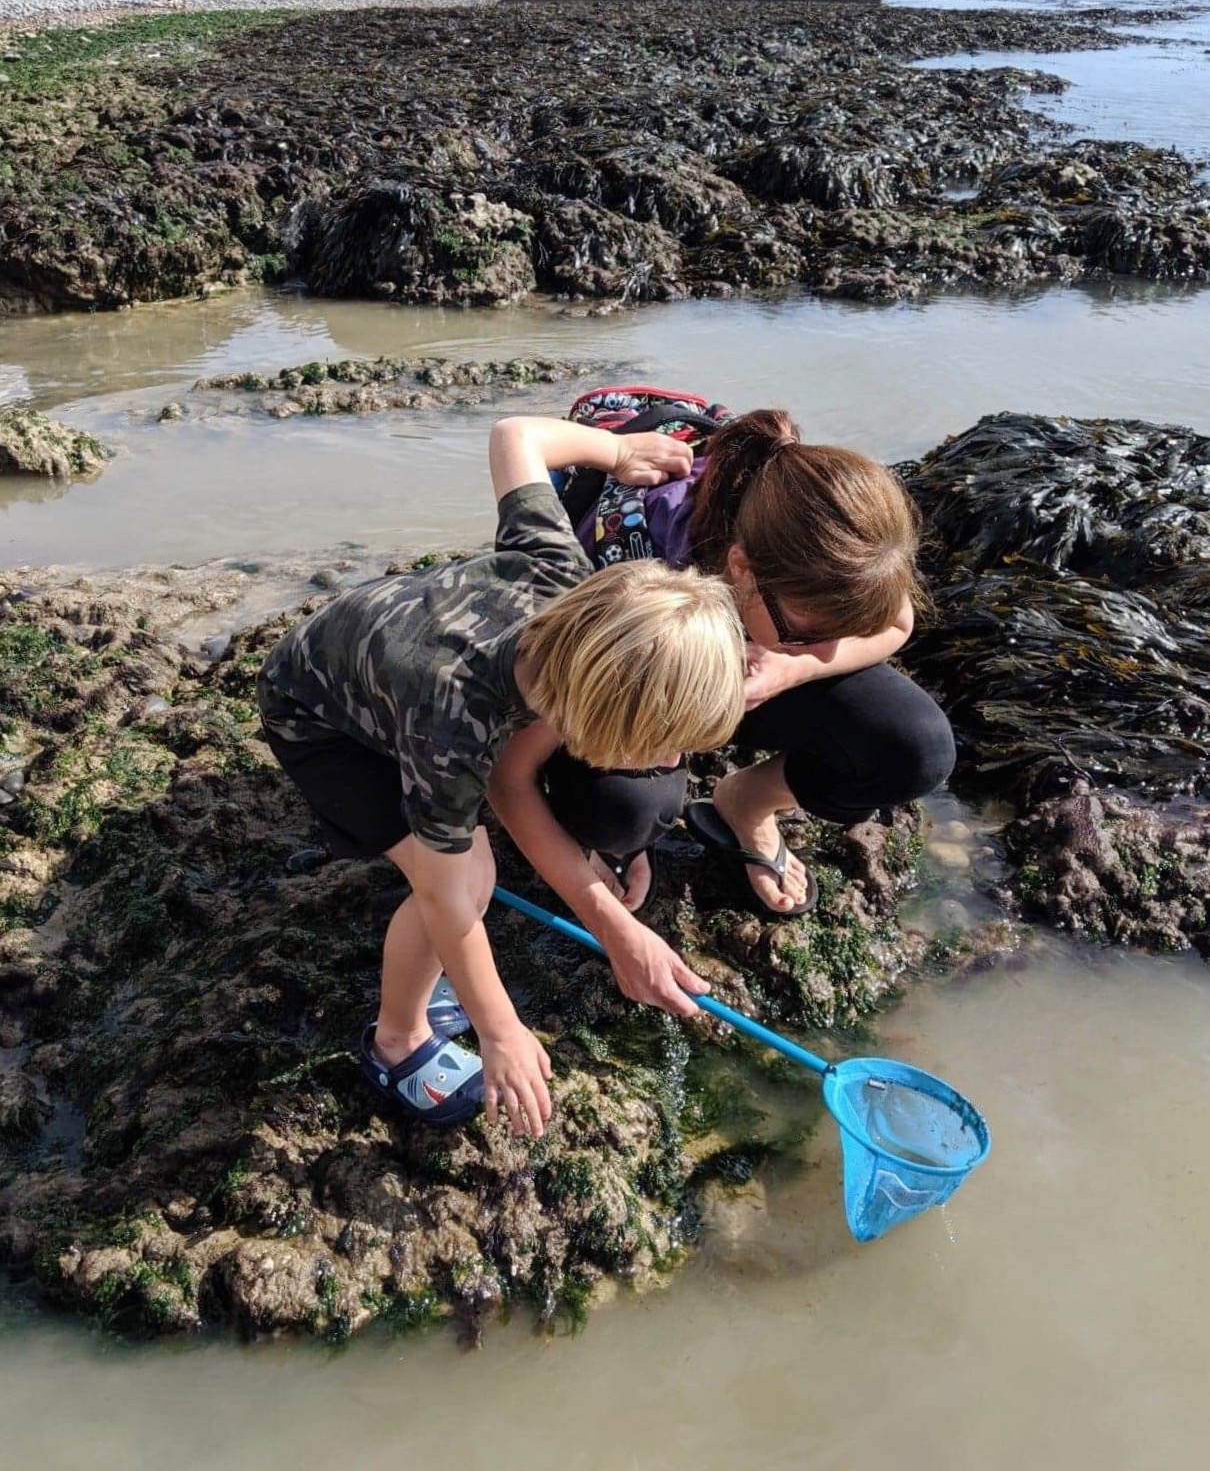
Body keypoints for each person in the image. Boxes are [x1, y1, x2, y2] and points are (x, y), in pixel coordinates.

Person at [257, 418, 746, 1137]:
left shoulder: (564, 575)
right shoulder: (453, 724)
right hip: (319, 720)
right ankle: (396, 1040)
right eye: (659, 748)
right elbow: (445, 896)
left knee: (466, 862)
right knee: (470, 874)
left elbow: (515, 436)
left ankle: (429, 996)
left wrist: (616, 451)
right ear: (589, 713)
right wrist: (500, 1028)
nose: (670, 767)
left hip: (379, 657)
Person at [532, 406, 956, 920]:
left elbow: (898, 623)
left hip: (751, 671)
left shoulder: (839, 556)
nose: (830, 652)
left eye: (844, 630)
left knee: (915, 750)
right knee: (621, 812)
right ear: (741, 568)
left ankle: (747, 803)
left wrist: (795, 666)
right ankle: (626, 837)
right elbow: (560, 711)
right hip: (639, 674)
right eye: (810, 633)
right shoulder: (641, 576)